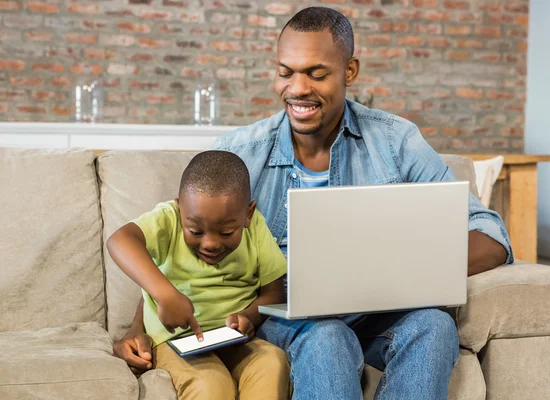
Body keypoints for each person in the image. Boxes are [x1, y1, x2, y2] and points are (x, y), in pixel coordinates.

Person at [114, 7, 513, 400]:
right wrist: (140, 328)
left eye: (316, 73)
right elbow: (176, 248)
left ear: (350, 72)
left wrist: (395, 272)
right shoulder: (238, 155)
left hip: (377, 311)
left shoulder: (396, 142)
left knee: (434, 326)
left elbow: (489, 233)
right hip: (286, 317)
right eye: (285, 72)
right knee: (327, 334)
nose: (298, 88)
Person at [107, 150, 290, 400]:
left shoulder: (256, 226)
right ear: (180, 208)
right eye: (195, 231)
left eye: (226, 233)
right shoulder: (168, 219)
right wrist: (165, 295)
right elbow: (120, 240)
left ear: (248, 214)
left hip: (232, 340)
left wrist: (248, 317)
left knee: (272, 362)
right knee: (210, 384)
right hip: (176, 342)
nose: (211, 244)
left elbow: (274, 293)